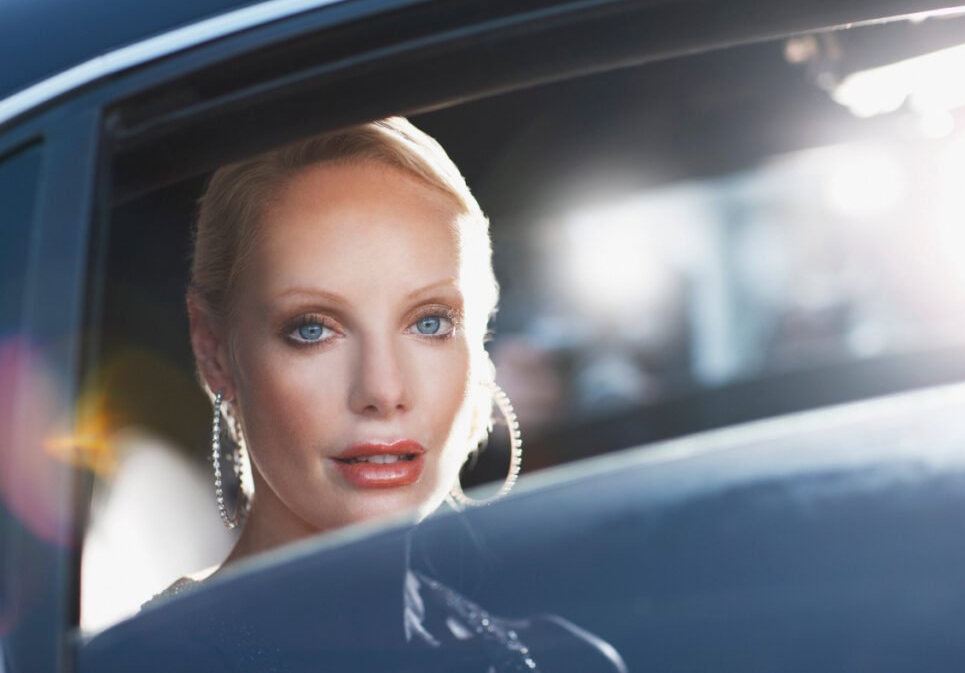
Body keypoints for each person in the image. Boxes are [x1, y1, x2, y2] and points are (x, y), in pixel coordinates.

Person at [153, 117, 625, 672]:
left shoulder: (563, 661)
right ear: (213, 350)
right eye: (312, 328)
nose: (382, 390)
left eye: (429, 323)